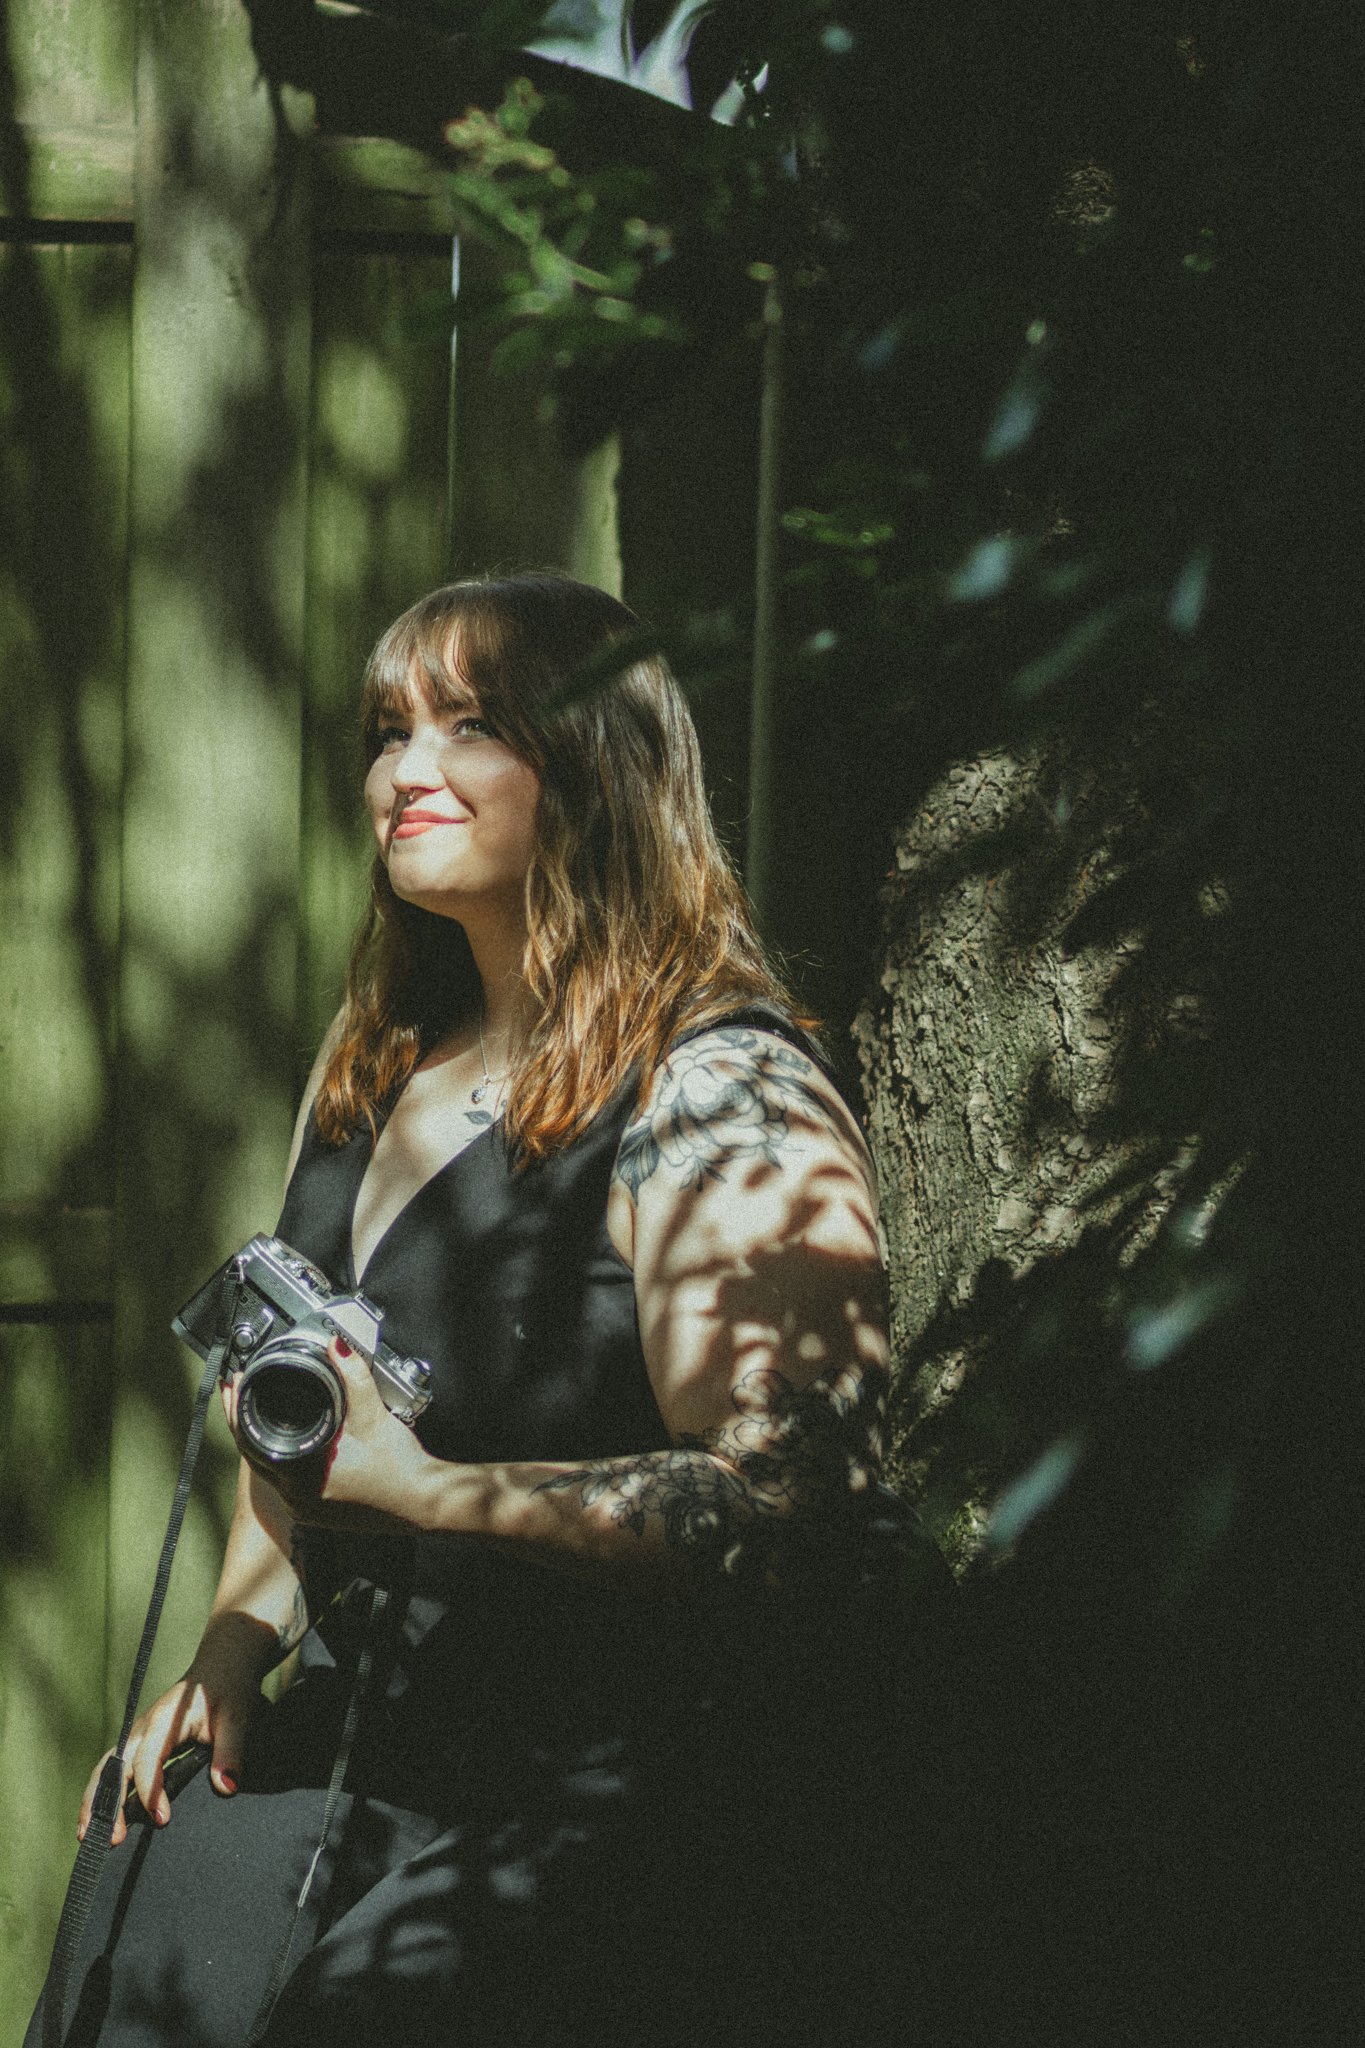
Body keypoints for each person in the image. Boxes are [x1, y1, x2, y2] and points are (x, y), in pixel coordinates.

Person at [30, 572, 892, 2048]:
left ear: (599, 766)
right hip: (381, 1733)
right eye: (386, 731)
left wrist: (429, 1494)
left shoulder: (721, 1089)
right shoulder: (376, 1058)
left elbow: (789, 1508)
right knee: (139, 1878)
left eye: (469, 725)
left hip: (619, 1768)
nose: (403, 772)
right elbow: (304, 1428)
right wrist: (236, 1645)